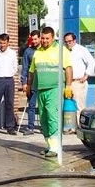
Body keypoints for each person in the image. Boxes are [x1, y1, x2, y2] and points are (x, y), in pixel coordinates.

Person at [24, 27, 72, 158]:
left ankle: (56, 148)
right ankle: (50, 145)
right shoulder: (37, 52)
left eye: (47, 38)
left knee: (52, 116)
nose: (44, 41)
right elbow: (31, 72)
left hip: (55, 89)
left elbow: (68, 68)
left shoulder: (61, 50)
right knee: (44, 118)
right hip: (41, 89)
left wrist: (68, 86)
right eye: (43, 38)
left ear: (52, 38)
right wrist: (28, 85)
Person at [63, 32, 95, 133]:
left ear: (74, 40)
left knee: (78, 106)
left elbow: (91, 61)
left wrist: (86, 75)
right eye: (66, 41)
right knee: (67, 105)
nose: (68, 43)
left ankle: (80, 127)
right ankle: (69, 126)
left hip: (78, 81)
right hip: (66, 82)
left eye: (70, 41)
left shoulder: (81, 50)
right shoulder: (63, 50)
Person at [19, 31, 39, 135]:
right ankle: (30, 127)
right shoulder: (28, 51)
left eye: (36, 39)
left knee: (45, 106)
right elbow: (25, 68)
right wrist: (24, 83)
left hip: (44, 82)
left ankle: (46, 127)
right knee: (31, 105)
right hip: (32, 82)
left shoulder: (45, 51)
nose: (34, 41)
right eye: (33, 39)